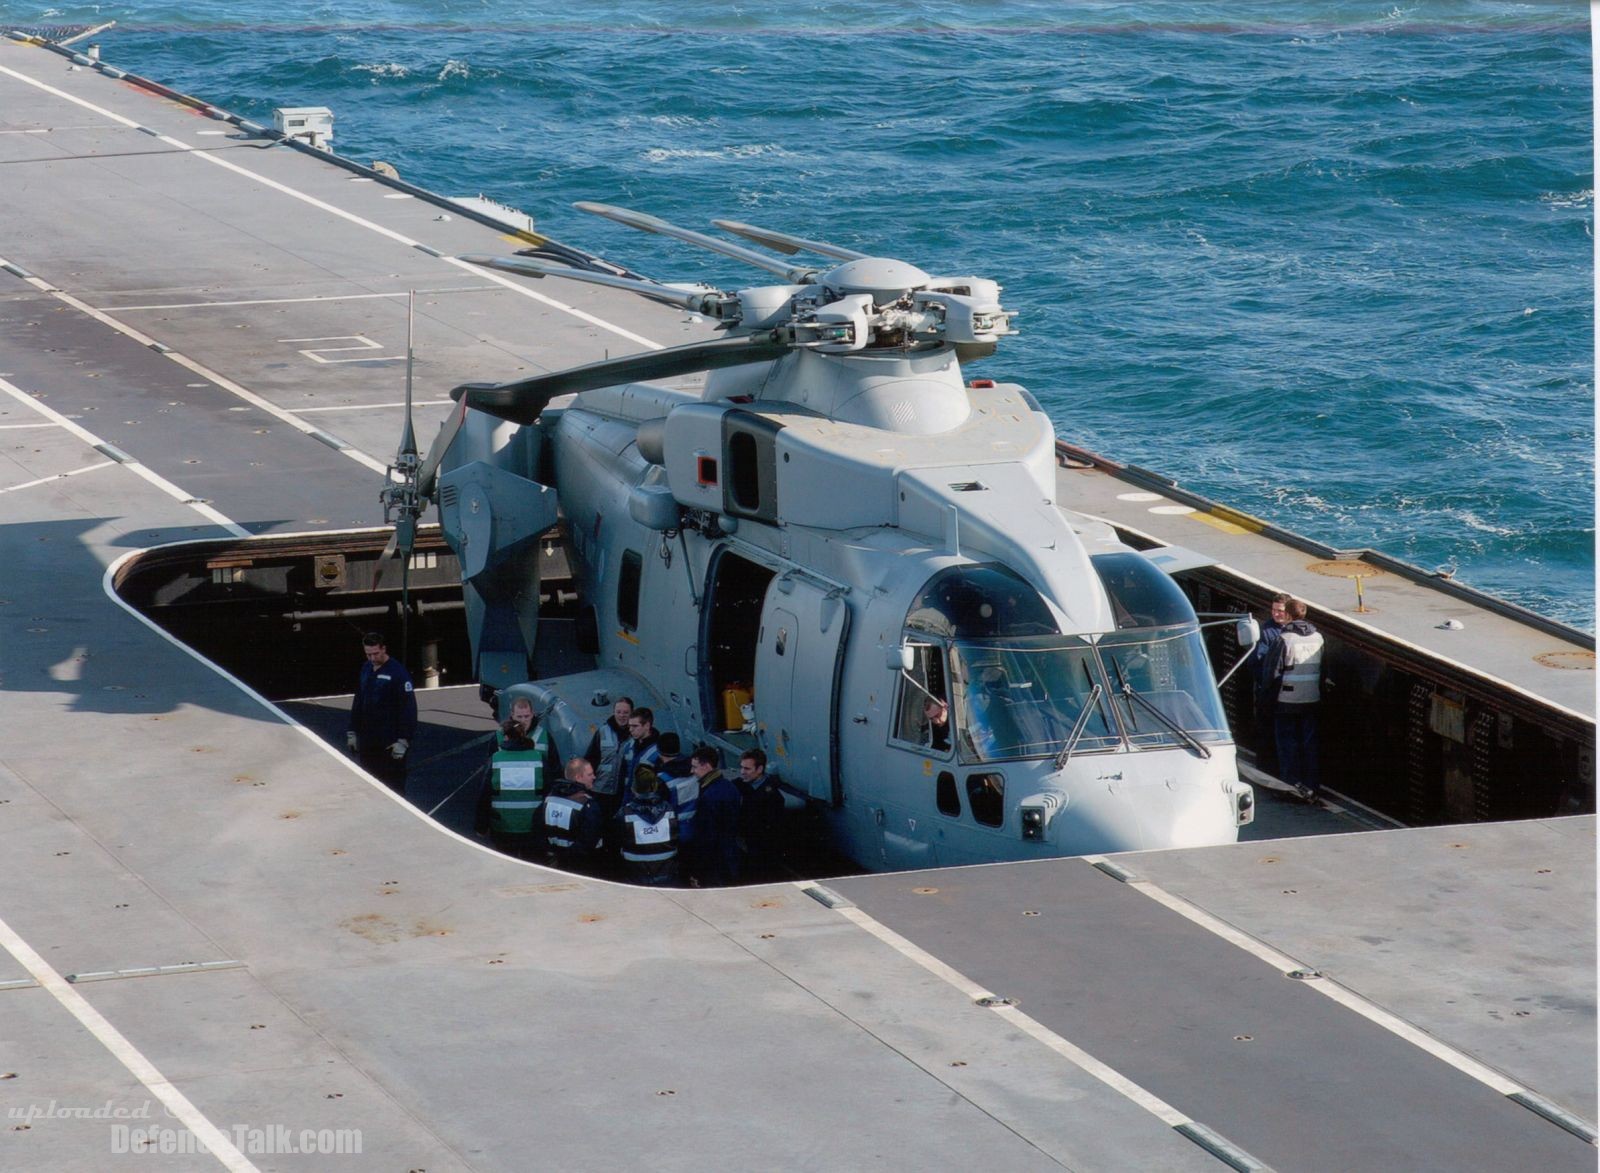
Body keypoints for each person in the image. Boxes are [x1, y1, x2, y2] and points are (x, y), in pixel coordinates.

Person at [478, 696, 552, 854]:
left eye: (526, 716)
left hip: (509, 821)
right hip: (526, 820)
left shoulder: (544, 736)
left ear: (533, 714)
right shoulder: (498, 738)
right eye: (519, 717)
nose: (524, 721)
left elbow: (485, 789)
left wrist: (481, 824)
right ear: (512, 715)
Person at [346, 632, 417, 794]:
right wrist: (352, 730)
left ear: (384, 649)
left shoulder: (398, 673)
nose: (372, 658)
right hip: (368, 741)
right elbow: (359, 701)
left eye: (375, 654)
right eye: (368, 654)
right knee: (369, 784)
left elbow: (408, 709)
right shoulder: (366, 669)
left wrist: (403, 740)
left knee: (393, 787)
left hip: (389, 743)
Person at [1273, 599, 1325, 801]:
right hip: (1311, 698)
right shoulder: (1318, 638)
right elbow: (1323, 669)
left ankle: (1291, 785)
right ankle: (1312, 784)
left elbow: (1273, 673)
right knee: (1309, 743)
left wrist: (1267, 700)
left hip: (1286, 700)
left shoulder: (1285, 639)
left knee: (1287, 744)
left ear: (1287, 615)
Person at [613, 765, 679, 886]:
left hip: (635, 875)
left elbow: (616, 841)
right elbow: (675, 836)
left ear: (633, 788)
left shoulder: (625, 813)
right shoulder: (669, 810)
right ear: (655, 786)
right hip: (667, 874)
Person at [687, 746, 741, 887]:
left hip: (714, 863)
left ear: (707, 766)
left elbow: (706, 837)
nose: (692, 771)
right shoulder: (730, 787)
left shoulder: (708, 796)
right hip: (730, 857)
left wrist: (698, 871)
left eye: (695, 767)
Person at [1250, 593, 1291, 776]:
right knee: (1266, 732)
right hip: (1269, 693)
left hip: (1287, 694)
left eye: (1280, 611)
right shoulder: (1266, 631)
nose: (1276, 614)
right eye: (1274, 610)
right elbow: (1258, 661)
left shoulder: (1292, 632)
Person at [544, 757, 606, 869]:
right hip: (582, 865)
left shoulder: (549, 799)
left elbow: (539, 830)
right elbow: (589, 839)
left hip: (556, 861)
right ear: (578, 777)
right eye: (589, 774)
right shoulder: (587, 804)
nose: (594, 777)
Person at [735, 748, 785, 880]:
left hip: (762, 852)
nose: (742, 772)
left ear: (759, 769)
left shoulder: (772, 797)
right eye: (741, 768)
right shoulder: (744, 784)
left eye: (747, 769)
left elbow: (771, 830)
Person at [584, 696, 633, 805]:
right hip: (600, 790)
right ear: (614, 712)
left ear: (631, 714)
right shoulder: (602, 732)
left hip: (623, 791)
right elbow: (591, 758)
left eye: (626, 712)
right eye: (618, 712)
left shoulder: (635, 735)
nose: (622, 716)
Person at [617, 706, 662, 807]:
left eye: (635, 726)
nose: (630, 730)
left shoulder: (658, 751)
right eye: (629, 726)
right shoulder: (629, 745)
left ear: (647, 725)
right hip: (626, 799)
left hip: (646, 803)